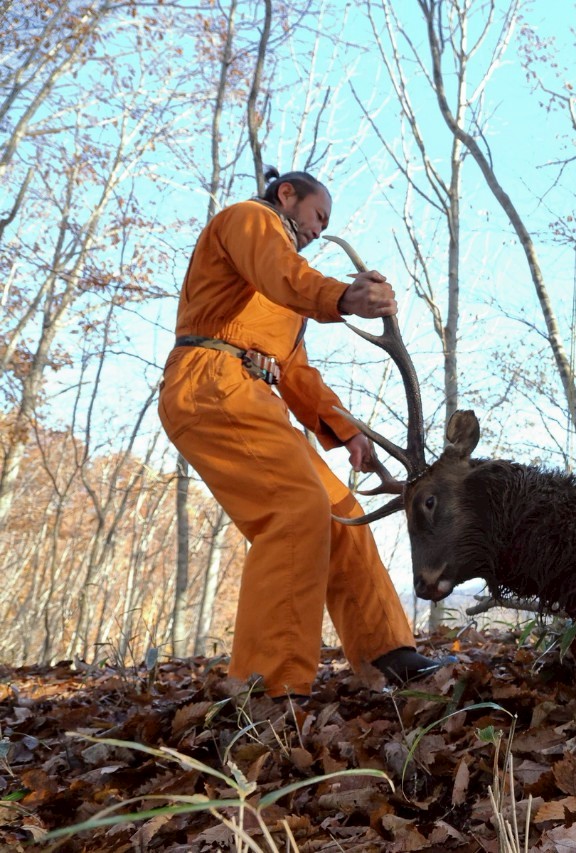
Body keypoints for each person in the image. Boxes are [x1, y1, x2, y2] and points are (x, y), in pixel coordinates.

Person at [158, 167, 442, 698]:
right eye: (317, 215)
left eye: (325, 223)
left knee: (342, 513)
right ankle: (271, 686)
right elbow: (281, 273)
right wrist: (343, 298)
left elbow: (294, 372)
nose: (318, 228)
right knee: (296, 509)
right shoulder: (250, 222)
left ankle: (389, 654)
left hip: (255, 399)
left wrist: (345, 429)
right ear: (286, 195)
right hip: (209, 385)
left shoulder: (284, 299)